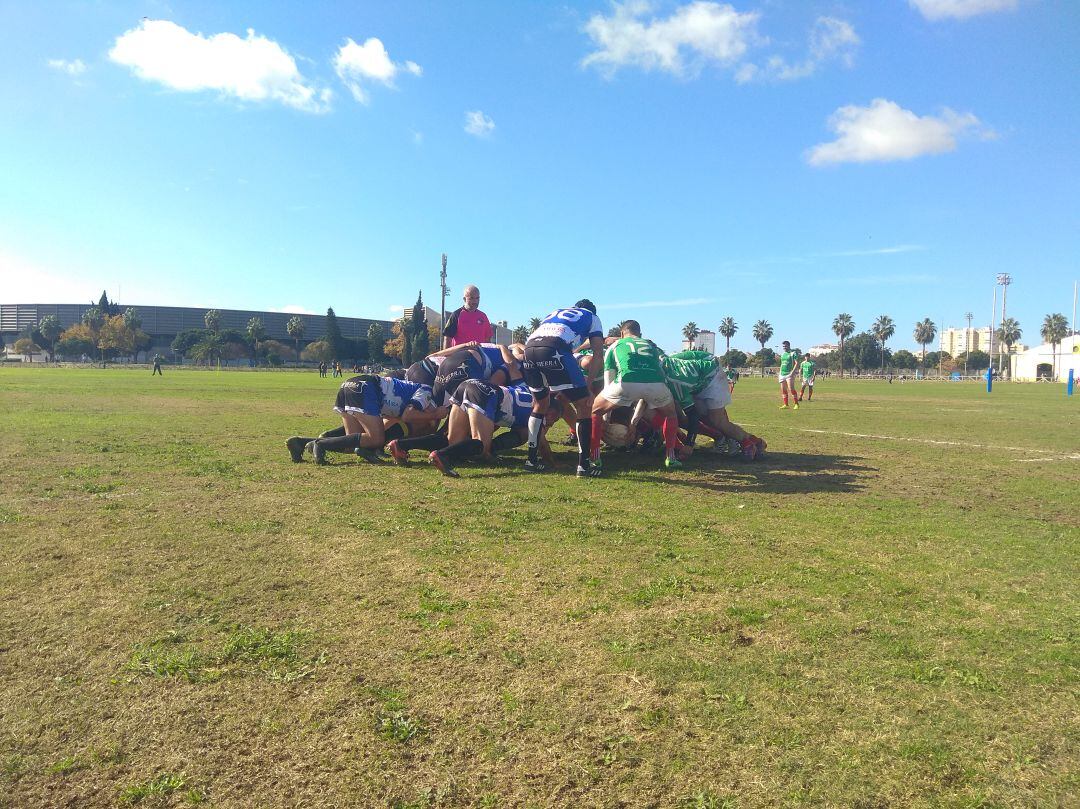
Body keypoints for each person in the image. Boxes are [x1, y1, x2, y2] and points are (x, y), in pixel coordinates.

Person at [520, 300, 605, 476]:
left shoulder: (556, 311)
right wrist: (588, 387)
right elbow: (598, 354)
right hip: (555, 349)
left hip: (529, 349)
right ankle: (584, 465)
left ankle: (531, 461)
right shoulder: (592, 317)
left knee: (539, 404)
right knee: (584, 405)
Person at [590, 320, 682, 471]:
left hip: (626, 381)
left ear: (621, 334)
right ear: (640, 334)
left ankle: (595, 458)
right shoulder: (652, 346)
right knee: (671, 415)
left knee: (595, 411)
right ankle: (670, 458)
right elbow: (648, 386)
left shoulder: (615, 346)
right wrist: (633, 423)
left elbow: (608, 382)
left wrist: (605, 419)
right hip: (657, 383)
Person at [302, 374, 447, 464]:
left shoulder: (405, 398)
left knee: (352, 444)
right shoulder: (426, 391)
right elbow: (408, 415)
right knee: (376, 438)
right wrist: (436, 414)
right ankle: (321, 444)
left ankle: (302, 443)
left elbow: (390, 421)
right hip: (366, 388)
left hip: (350, 385)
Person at [427, 380, 560, 477]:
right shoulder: (540, 411)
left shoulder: (527, 390)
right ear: (550, 410)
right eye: (553, 418)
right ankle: (442, 455)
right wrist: (552, 464)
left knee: (454, 442)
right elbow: (541, 443)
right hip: (486, 394)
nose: (551, 423)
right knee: (481, 447)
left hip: (469, 384)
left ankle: (407, 445)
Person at [777, 340, 800, 409]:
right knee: (783, 390)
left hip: (789, 374)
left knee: (791, 389)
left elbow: (797, 363)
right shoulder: (783, 354)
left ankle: (796, 404)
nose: (784, 347)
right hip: (782, 374)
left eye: (785, 346)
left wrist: (792, 372)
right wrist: (780, 372)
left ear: (789, 346)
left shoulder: (793, 353)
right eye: (783, 346)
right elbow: (782, 364)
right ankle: (786, 404)